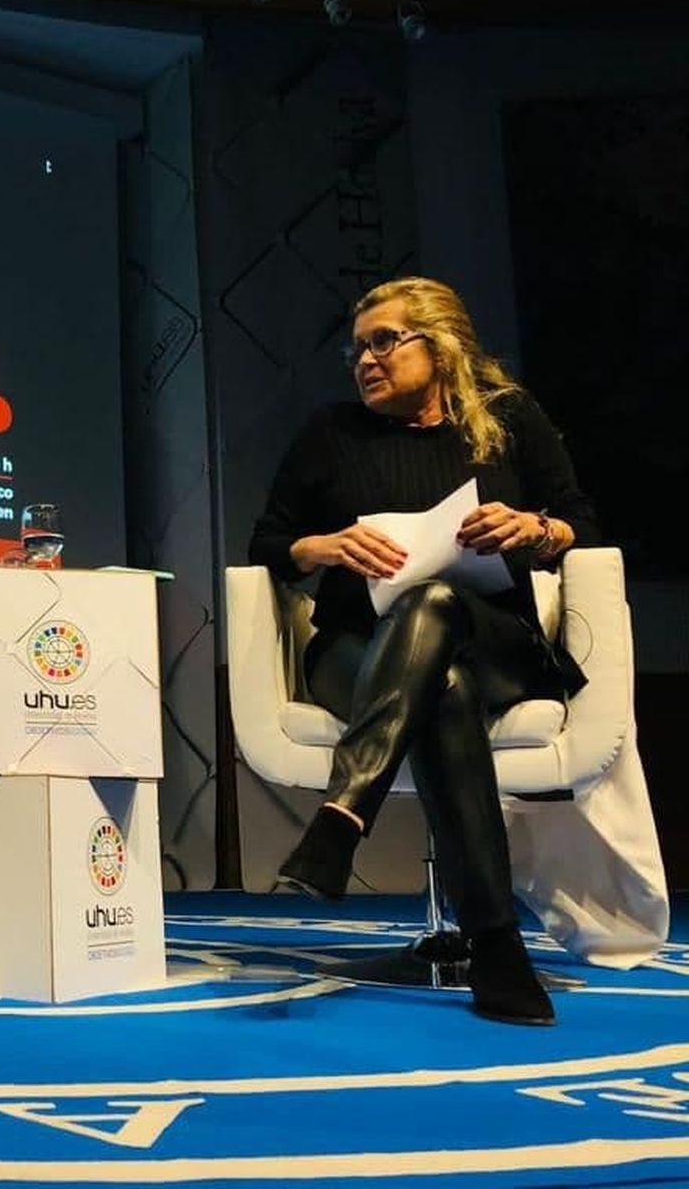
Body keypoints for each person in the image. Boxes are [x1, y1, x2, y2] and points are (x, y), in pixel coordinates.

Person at [249, 276, 600, 1026]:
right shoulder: (329, 434)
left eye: (384, 342)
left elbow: (578, 521)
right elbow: (269, 545)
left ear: (439, 346)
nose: (364, 361)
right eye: (357, 349)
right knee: (440, 686)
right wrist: (326, 544)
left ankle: (341, 819)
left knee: (439, 604)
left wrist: (531, 528)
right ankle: (498, 949)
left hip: (496, 640)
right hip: (358, 650)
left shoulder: (506, 419)